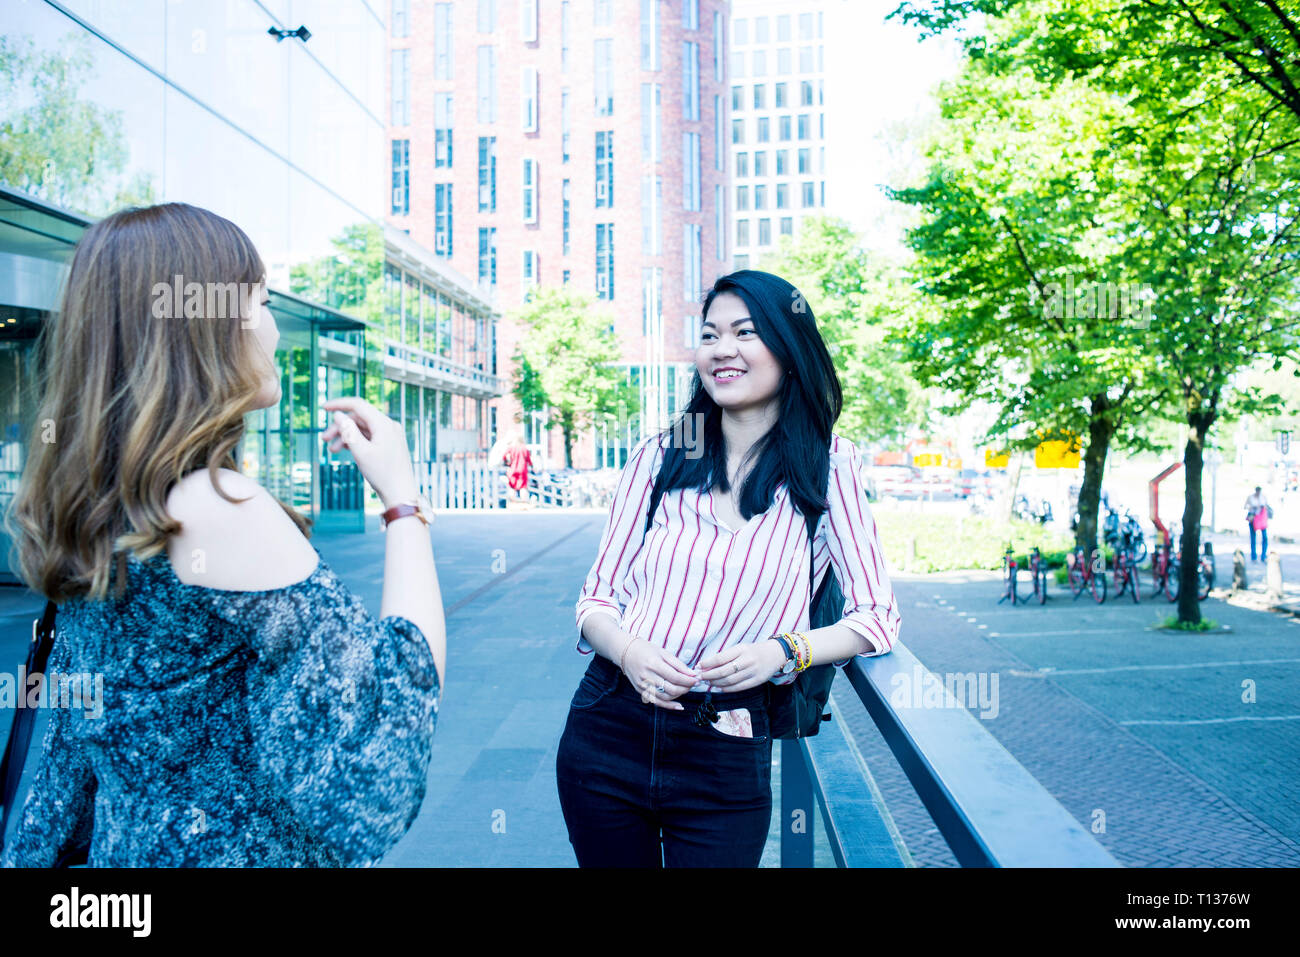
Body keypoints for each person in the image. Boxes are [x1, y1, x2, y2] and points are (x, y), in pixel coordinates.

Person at [1, 203, 445, 867]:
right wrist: (402, 504)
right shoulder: (212, 504)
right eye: (260, 300)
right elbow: (379, 747)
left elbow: (72, 759)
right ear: (209, 323)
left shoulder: (105, 504)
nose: (269, 329)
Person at [555, 270, 901, 868]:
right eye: (710, 334)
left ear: (788, 349)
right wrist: (632, 654)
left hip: (727, 742)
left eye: (745, 332)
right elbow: (595, 602)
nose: (723, 349)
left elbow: (877, 619)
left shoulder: (828, 466)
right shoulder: (660, 455)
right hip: (608, 728)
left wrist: (782, 653)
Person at [504, 432, 534, 502]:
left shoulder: (511, 448)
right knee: (523, 487)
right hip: (522, 470)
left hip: (512, 470)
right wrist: (532, 466)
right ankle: (524, 502)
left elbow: (504, 456)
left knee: (512, 486)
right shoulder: (524, 448)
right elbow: (529, 460)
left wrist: (508, 463)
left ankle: (513, 501)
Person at [1245, 486, 1269, 561]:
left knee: (1264, 537)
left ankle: (1263, 555)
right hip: (1253, 517)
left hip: (1261, 519)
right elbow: (1245, 506)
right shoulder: (1251, 497)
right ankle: (1253, 556)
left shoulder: (1263, 497)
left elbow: (1266, 506)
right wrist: (1252, 507)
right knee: (1253, 537)